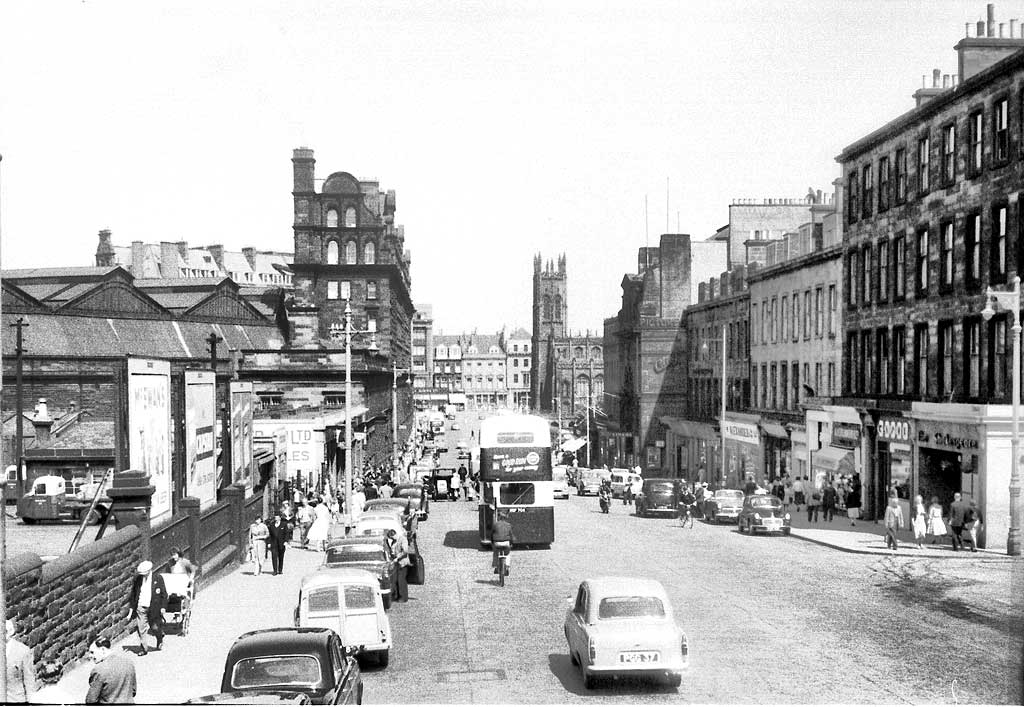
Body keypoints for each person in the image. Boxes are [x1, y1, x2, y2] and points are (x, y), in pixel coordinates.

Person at [128, 560, 167, 654]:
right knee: (141, 628)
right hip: (141, 607)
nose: (143, 575)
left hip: (154, 608)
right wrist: (131, 611)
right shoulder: (138, 579)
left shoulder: (158, 578)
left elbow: (164, 594)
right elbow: (133, 595)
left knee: (154, 628)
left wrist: (163, 607)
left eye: (144, 573)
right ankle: (144, 649)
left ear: (149, 571)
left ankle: (159, 638)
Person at [85, 635, 137, 705]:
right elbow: (133, 691)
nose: (90, 656)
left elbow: (91, 700)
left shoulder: (99, 670)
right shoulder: (128, 663)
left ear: (102, 649)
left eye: (92, 652)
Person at [5, 618, 37, 703]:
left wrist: (31, 701)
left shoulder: (22, 651)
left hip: (15, 700)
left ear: (11, 632)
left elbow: (29, 679)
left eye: (4, 631)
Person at [386, 529, 411, 602]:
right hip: (396, 563)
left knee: (401, 580)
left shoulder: (403, 539)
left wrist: (397, 558)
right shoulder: (394, 541)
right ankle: (397, 595)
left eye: (392, 537)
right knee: (395, 580)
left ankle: (403, 597)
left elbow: (405, 551)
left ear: (395, 534)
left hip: (402, 563)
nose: (392, 539)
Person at [490, 511, 515, 576]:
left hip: (497, 543)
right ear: (505, 518)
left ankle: (496, 566)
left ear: (499, 517)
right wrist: (511, 543)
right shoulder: (508, 525)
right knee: (507, 553)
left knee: (495, 553)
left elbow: (491, 535)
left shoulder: (495, 524)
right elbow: (511, 536)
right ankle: (507, 567)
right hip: (506, 543)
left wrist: (492, 542)